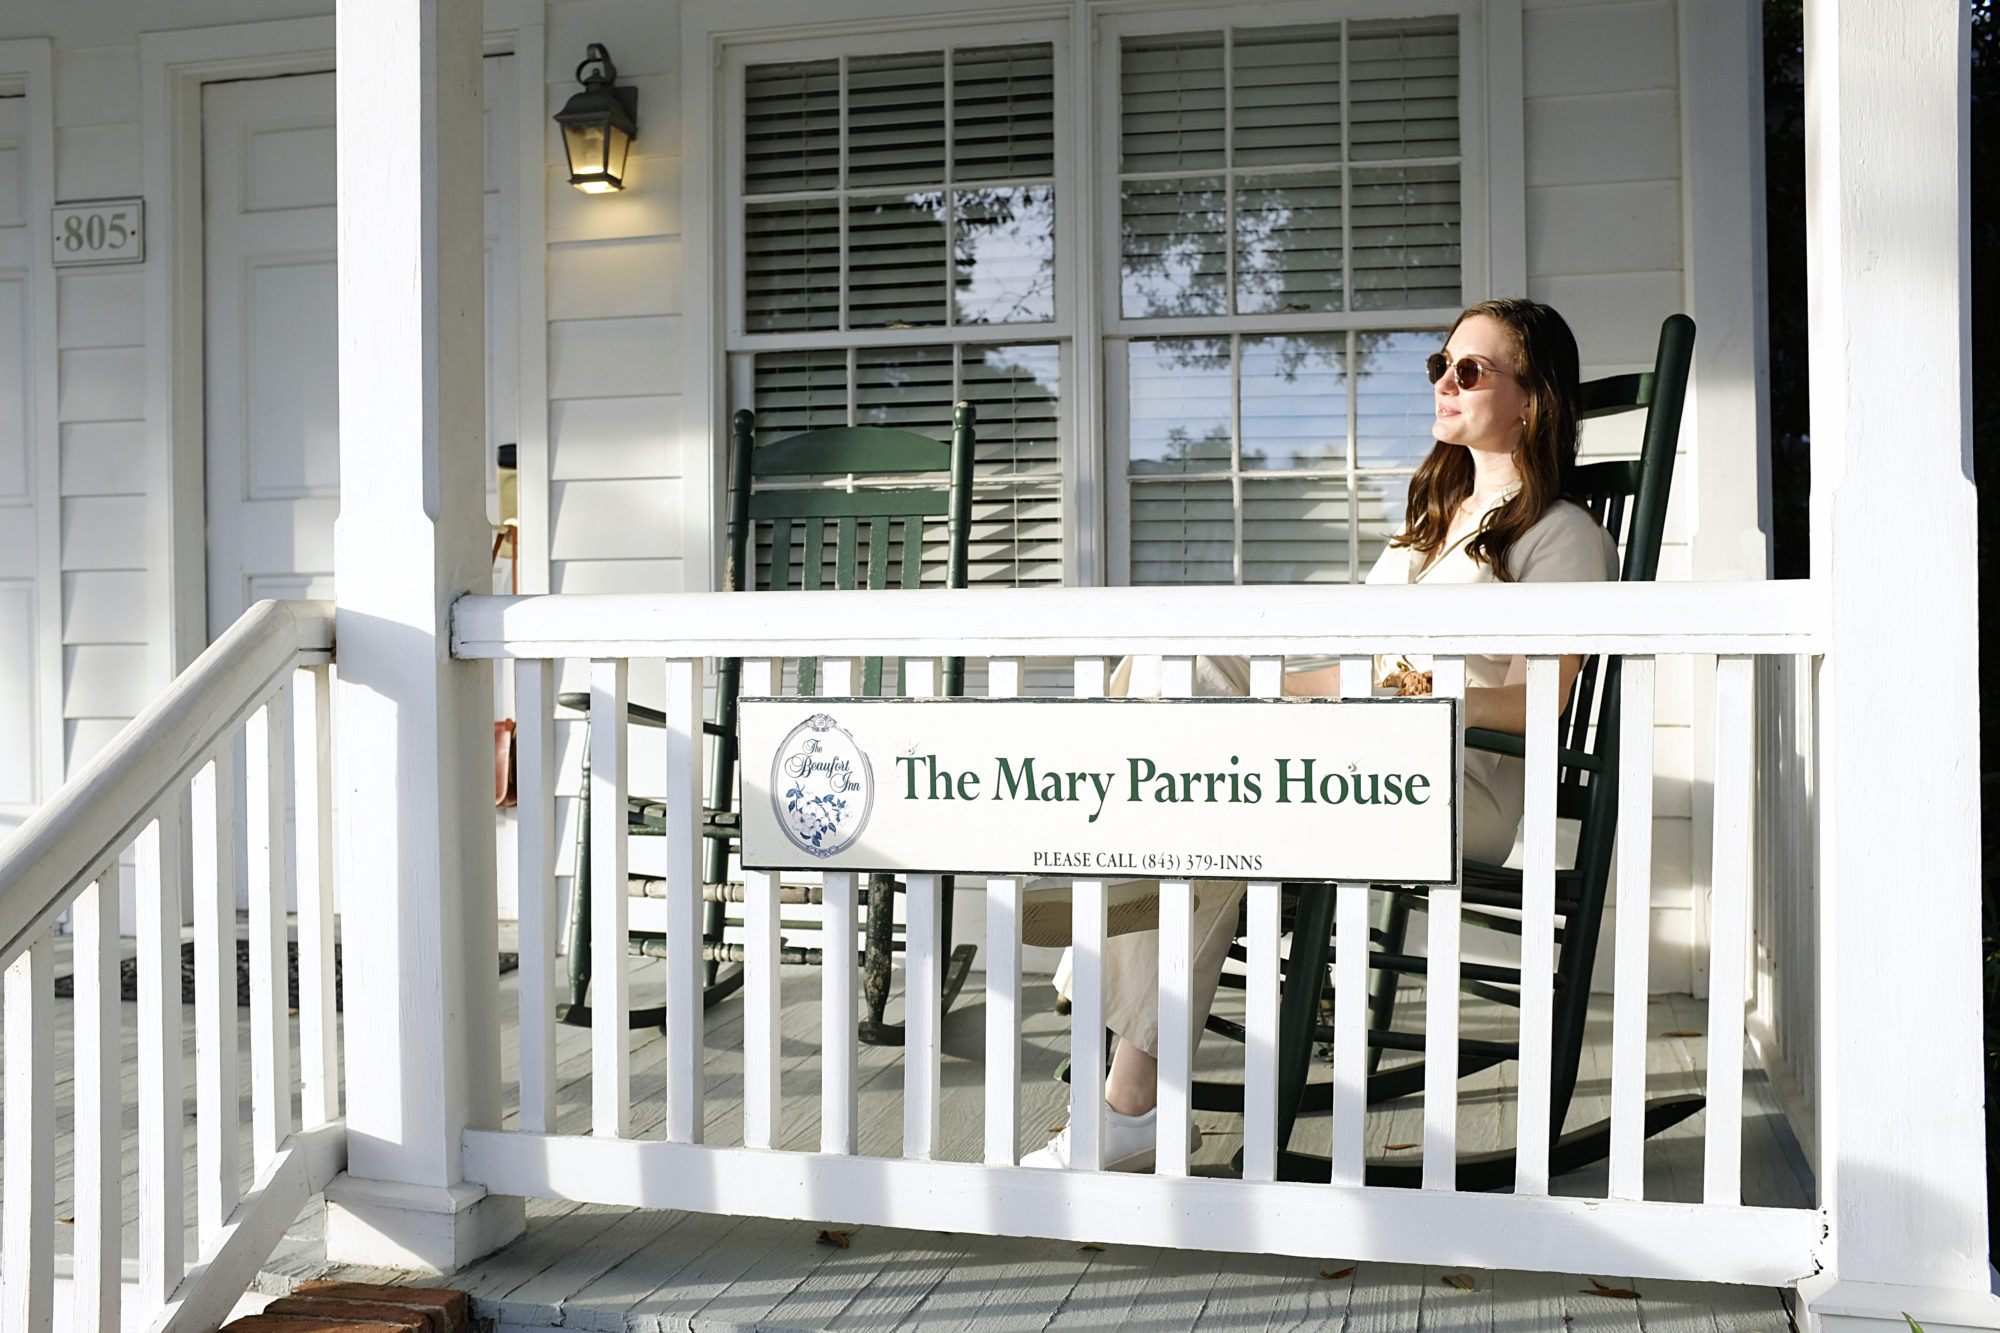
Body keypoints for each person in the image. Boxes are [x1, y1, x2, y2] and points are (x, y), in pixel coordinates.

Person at [1023, 298, 1619, 1172]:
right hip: (1360, 760)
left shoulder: (1563, 534)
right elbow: (1359, 670)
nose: (1445, 384)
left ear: (1532, 401)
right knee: (1176, 664)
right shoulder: (1429, 524)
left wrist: (1418, 692)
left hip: (1452, 787)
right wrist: (1265, 694)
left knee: (1195, 795)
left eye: (1470, 371)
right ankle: (1133, 1084)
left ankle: (1126, 1071)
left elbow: (1547, 695)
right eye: (1440, 366)